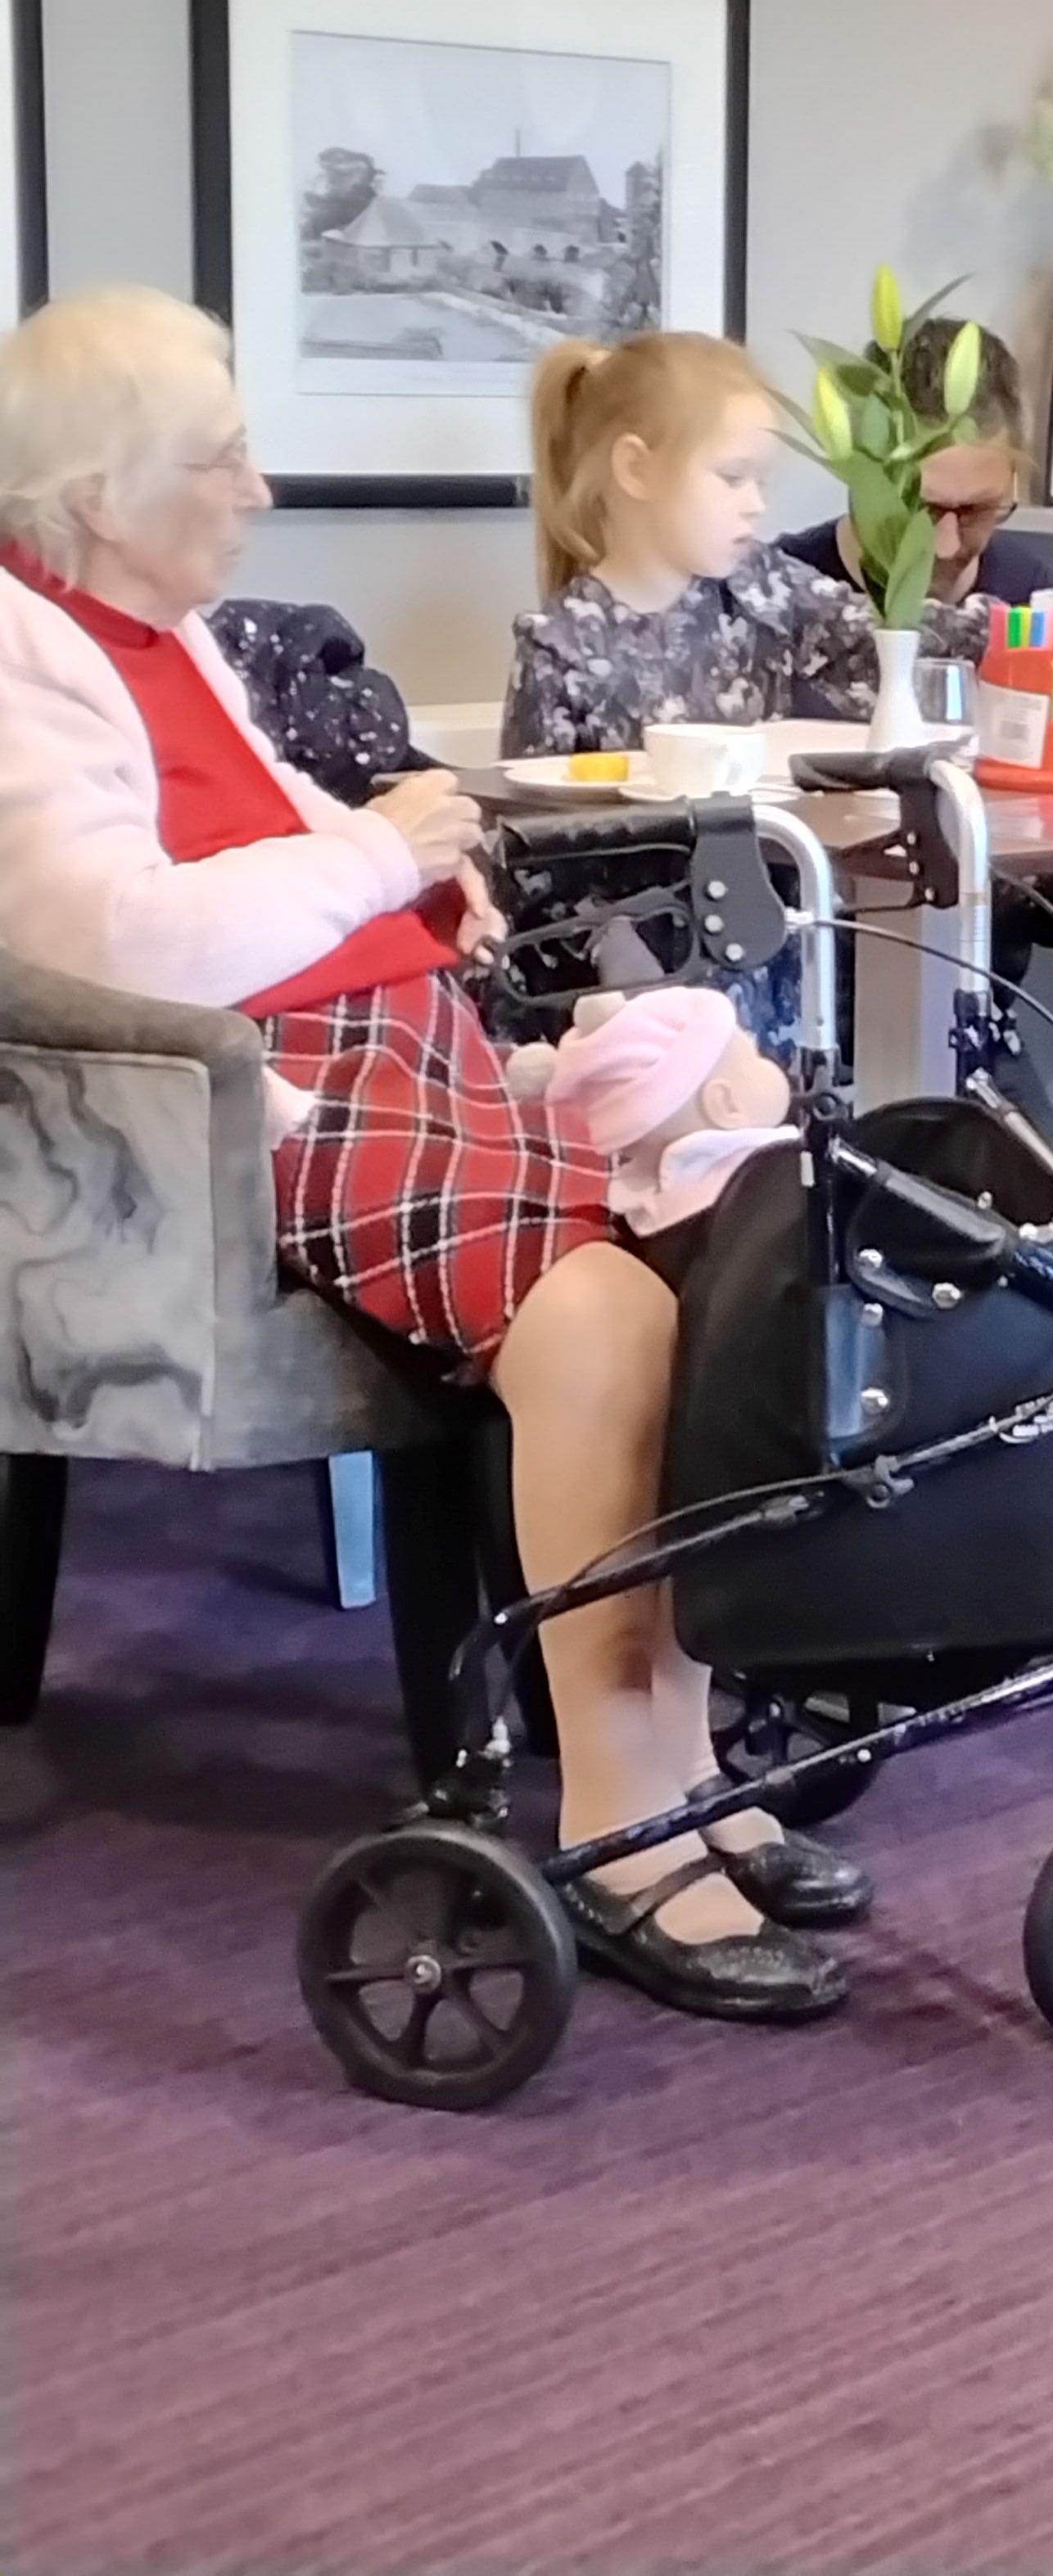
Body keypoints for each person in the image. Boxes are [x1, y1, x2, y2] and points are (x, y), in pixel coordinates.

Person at [0, 286, 866, 2024]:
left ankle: (682, 1758)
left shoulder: (161, 634)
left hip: (412, 1055)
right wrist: (375, 861)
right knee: (599, 1308)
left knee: (731, 1243)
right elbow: (116, 942)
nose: (257, 490)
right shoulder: (20, 661)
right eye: (221, 459)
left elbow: (269, 837)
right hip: (250, 1103)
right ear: (97, 495)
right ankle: (621, 1827)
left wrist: (411, 873)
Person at [502, 331, 994, 758]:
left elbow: (901, 640)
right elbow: (530, 827)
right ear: (637, 469)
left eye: (761, 482)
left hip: (776, 842)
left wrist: (1021, 631)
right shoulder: (557, 649)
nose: (756, 505)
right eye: (733, 477)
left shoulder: (766, 590)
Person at [780, 320, 1053, 607]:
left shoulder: (1044, 609)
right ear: (861, 479)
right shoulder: (773, 599)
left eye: (977, 511)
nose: (946, 547)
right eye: (920, 511)